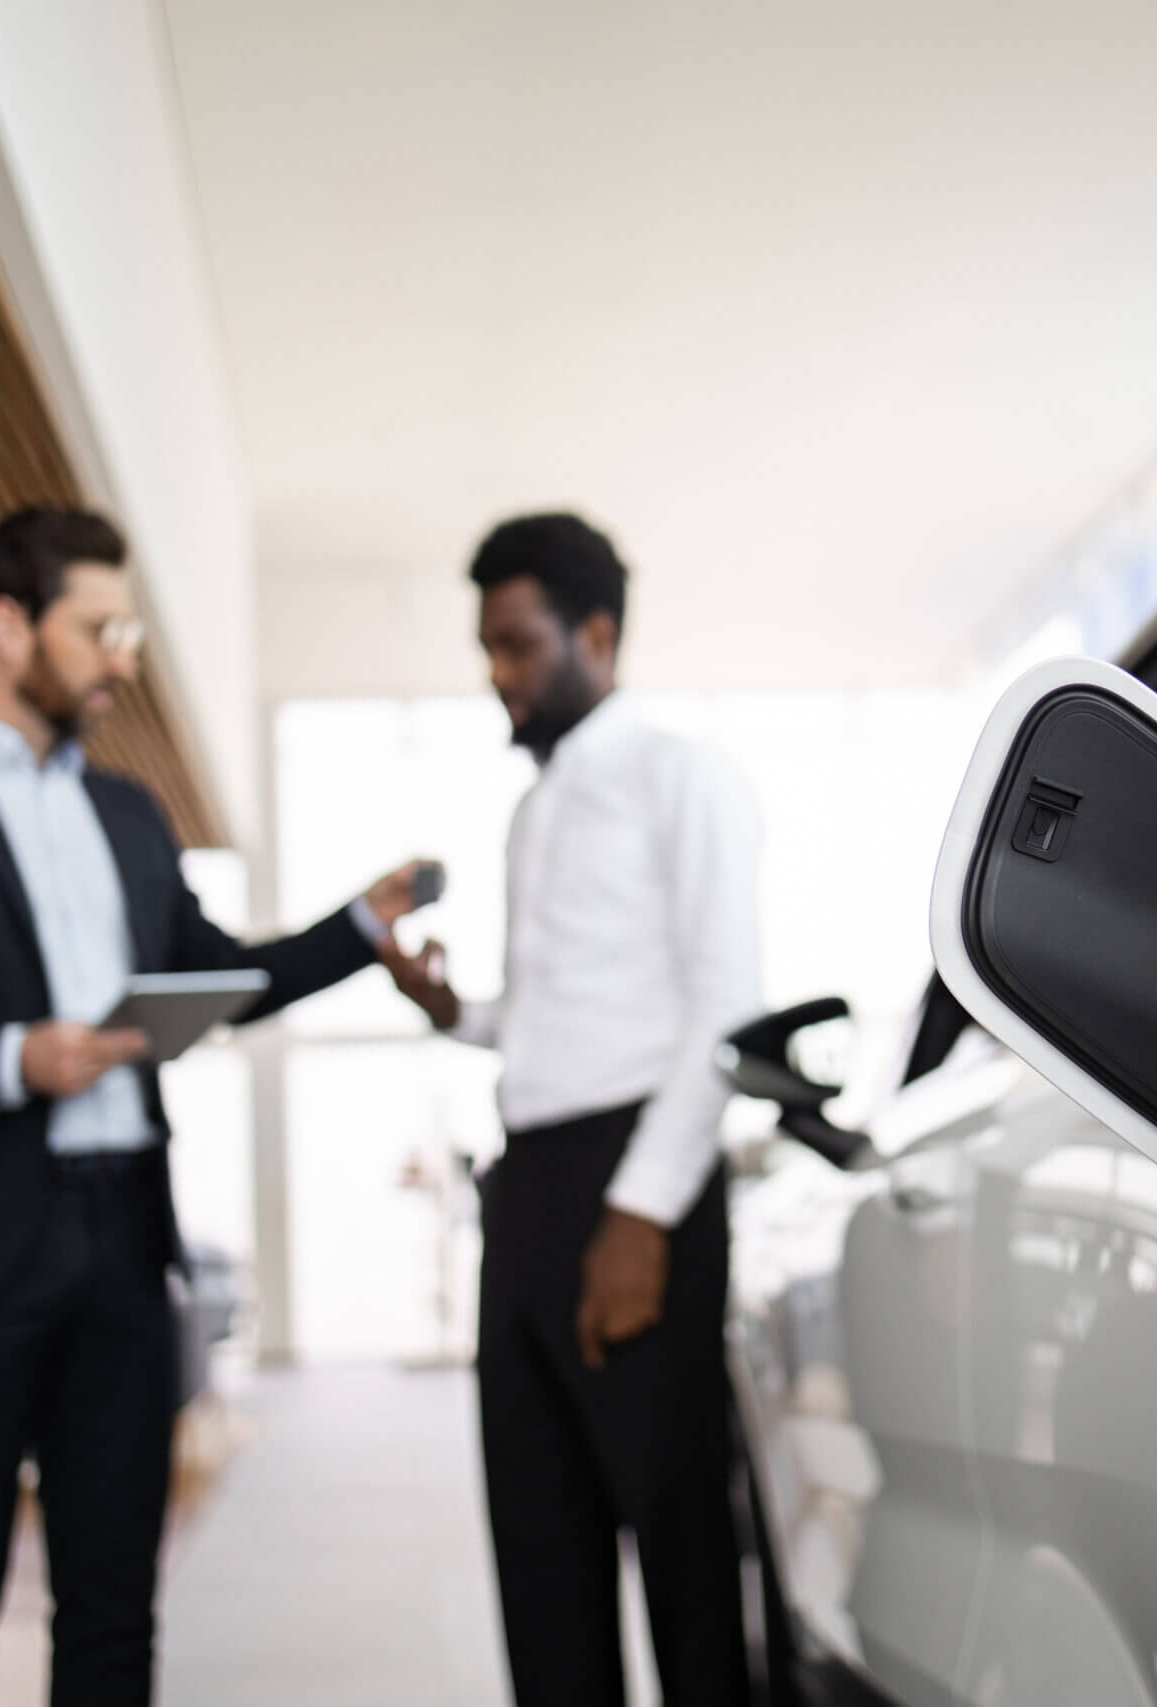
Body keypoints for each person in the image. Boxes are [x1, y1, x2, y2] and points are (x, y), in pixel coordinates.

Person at [0, 504, 429, 1707]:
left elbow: (216, 980)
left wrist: (356, 930)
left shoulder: (129, 813)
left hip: (122, 1251)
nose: (124, 655)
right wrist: (5, 1059)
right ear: (8, 625)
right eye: (101, 626)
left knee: (118, 1616)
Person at [376, 512, 765, 1706]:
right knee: (539, 1543)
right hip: (532, 1185)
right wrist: (457, 1013)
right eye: (487, 647)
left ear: (594, 633)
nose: (497, 671)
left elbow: (722, 1010)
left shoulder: (679, 773)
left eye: (517, 644)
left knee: (681, 1549)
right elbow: (565, 1013)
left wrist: (642, 1215)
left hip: (633, 1181)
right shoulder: (534, 811)